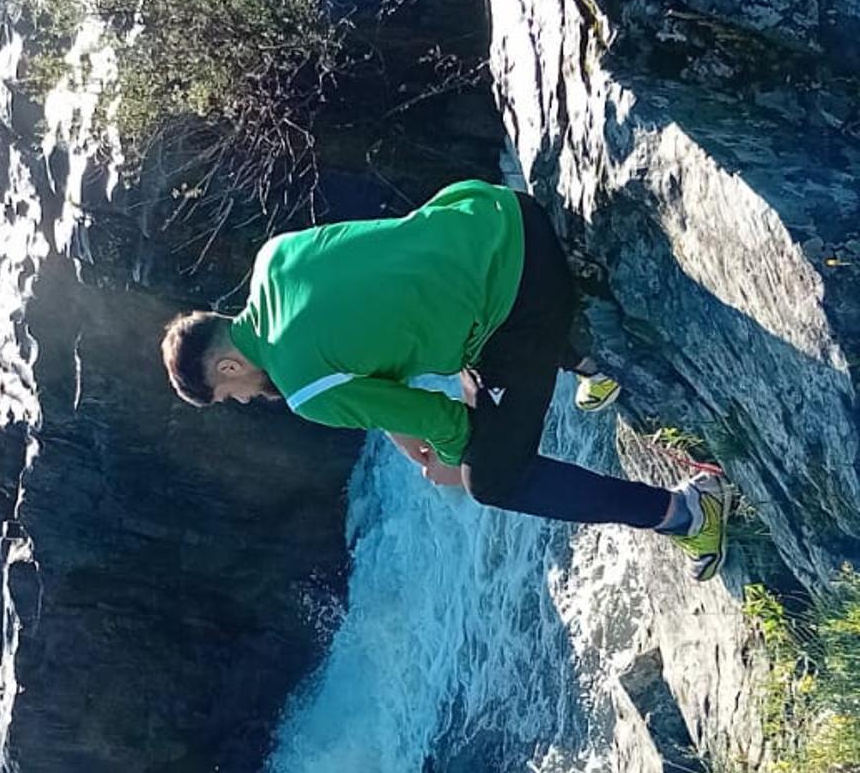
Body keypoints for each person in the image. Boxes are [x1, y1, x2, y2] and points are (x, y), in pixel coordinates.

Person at [160, 179, 732, 580]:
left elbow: (445, 420)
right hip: (503, 213)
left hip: (526, 294)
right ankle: (586, 361)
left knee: (495, 481)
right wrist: (400, 429)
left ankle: (684, 513)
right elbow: (390, 299)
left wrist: (456, 468)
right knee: (456, 339)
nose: (244, 397)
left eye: (229, 393)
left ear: (227, 367)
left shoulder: (303, 389)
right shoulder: (273, 259)